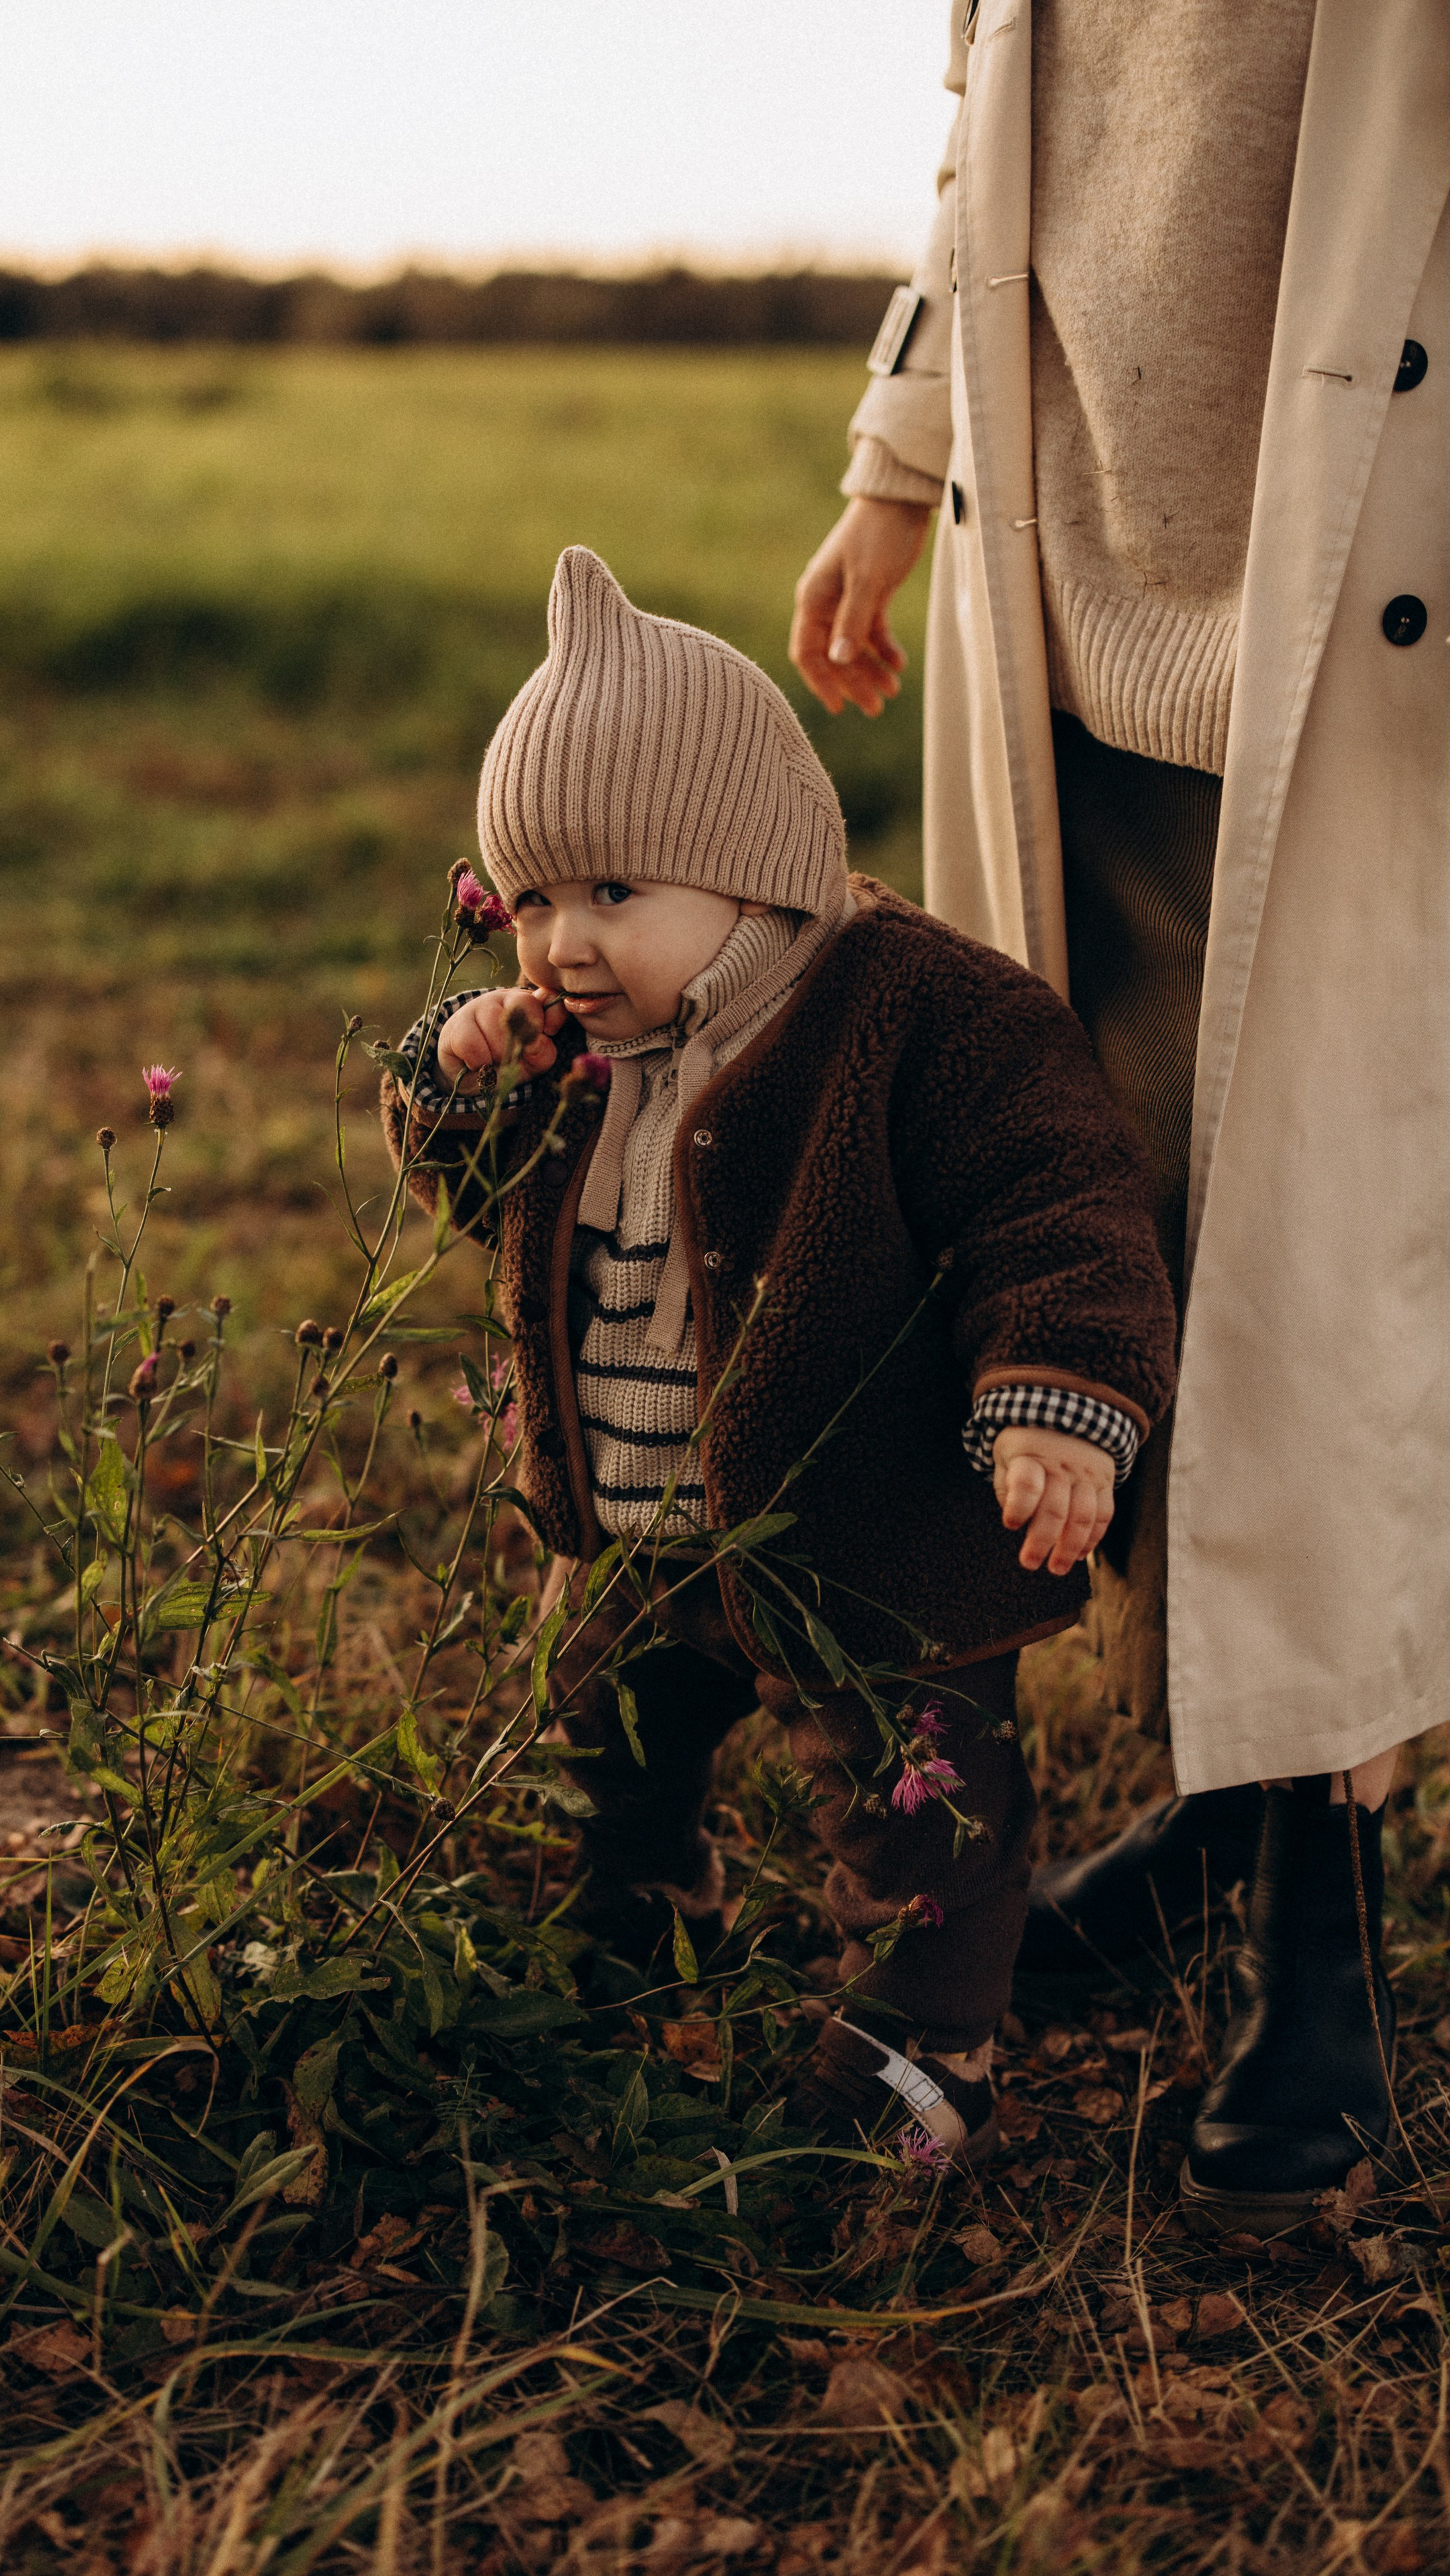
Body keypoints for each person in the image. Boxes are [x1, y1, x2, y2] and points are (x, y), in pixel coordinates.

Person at [789, 0, 1449, 2233]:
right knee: (1105, 1246)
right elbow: (990, 155)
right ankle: (1222, 1796)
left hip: (1359, 642)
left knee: (1310, 1274)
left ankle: (1320, 1915)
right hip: (1052, 617)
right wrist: (894, 474)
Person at [384, 545, 1176, 2167]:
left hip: (865, 1533)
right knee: (602, 1732)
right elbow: (485, 1207)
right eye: (531, 900)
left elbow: (1054, 1206)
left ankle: (925, 2038)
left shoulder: (922, 1015)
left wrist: (1056, 1410)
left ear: (750, 870)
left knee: (917, 1795)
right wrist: (460, 1090)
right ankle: (634, 1922)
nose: (562, 946)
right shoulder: (579, 1047)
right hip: (628, 1525)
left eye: (613, 894)